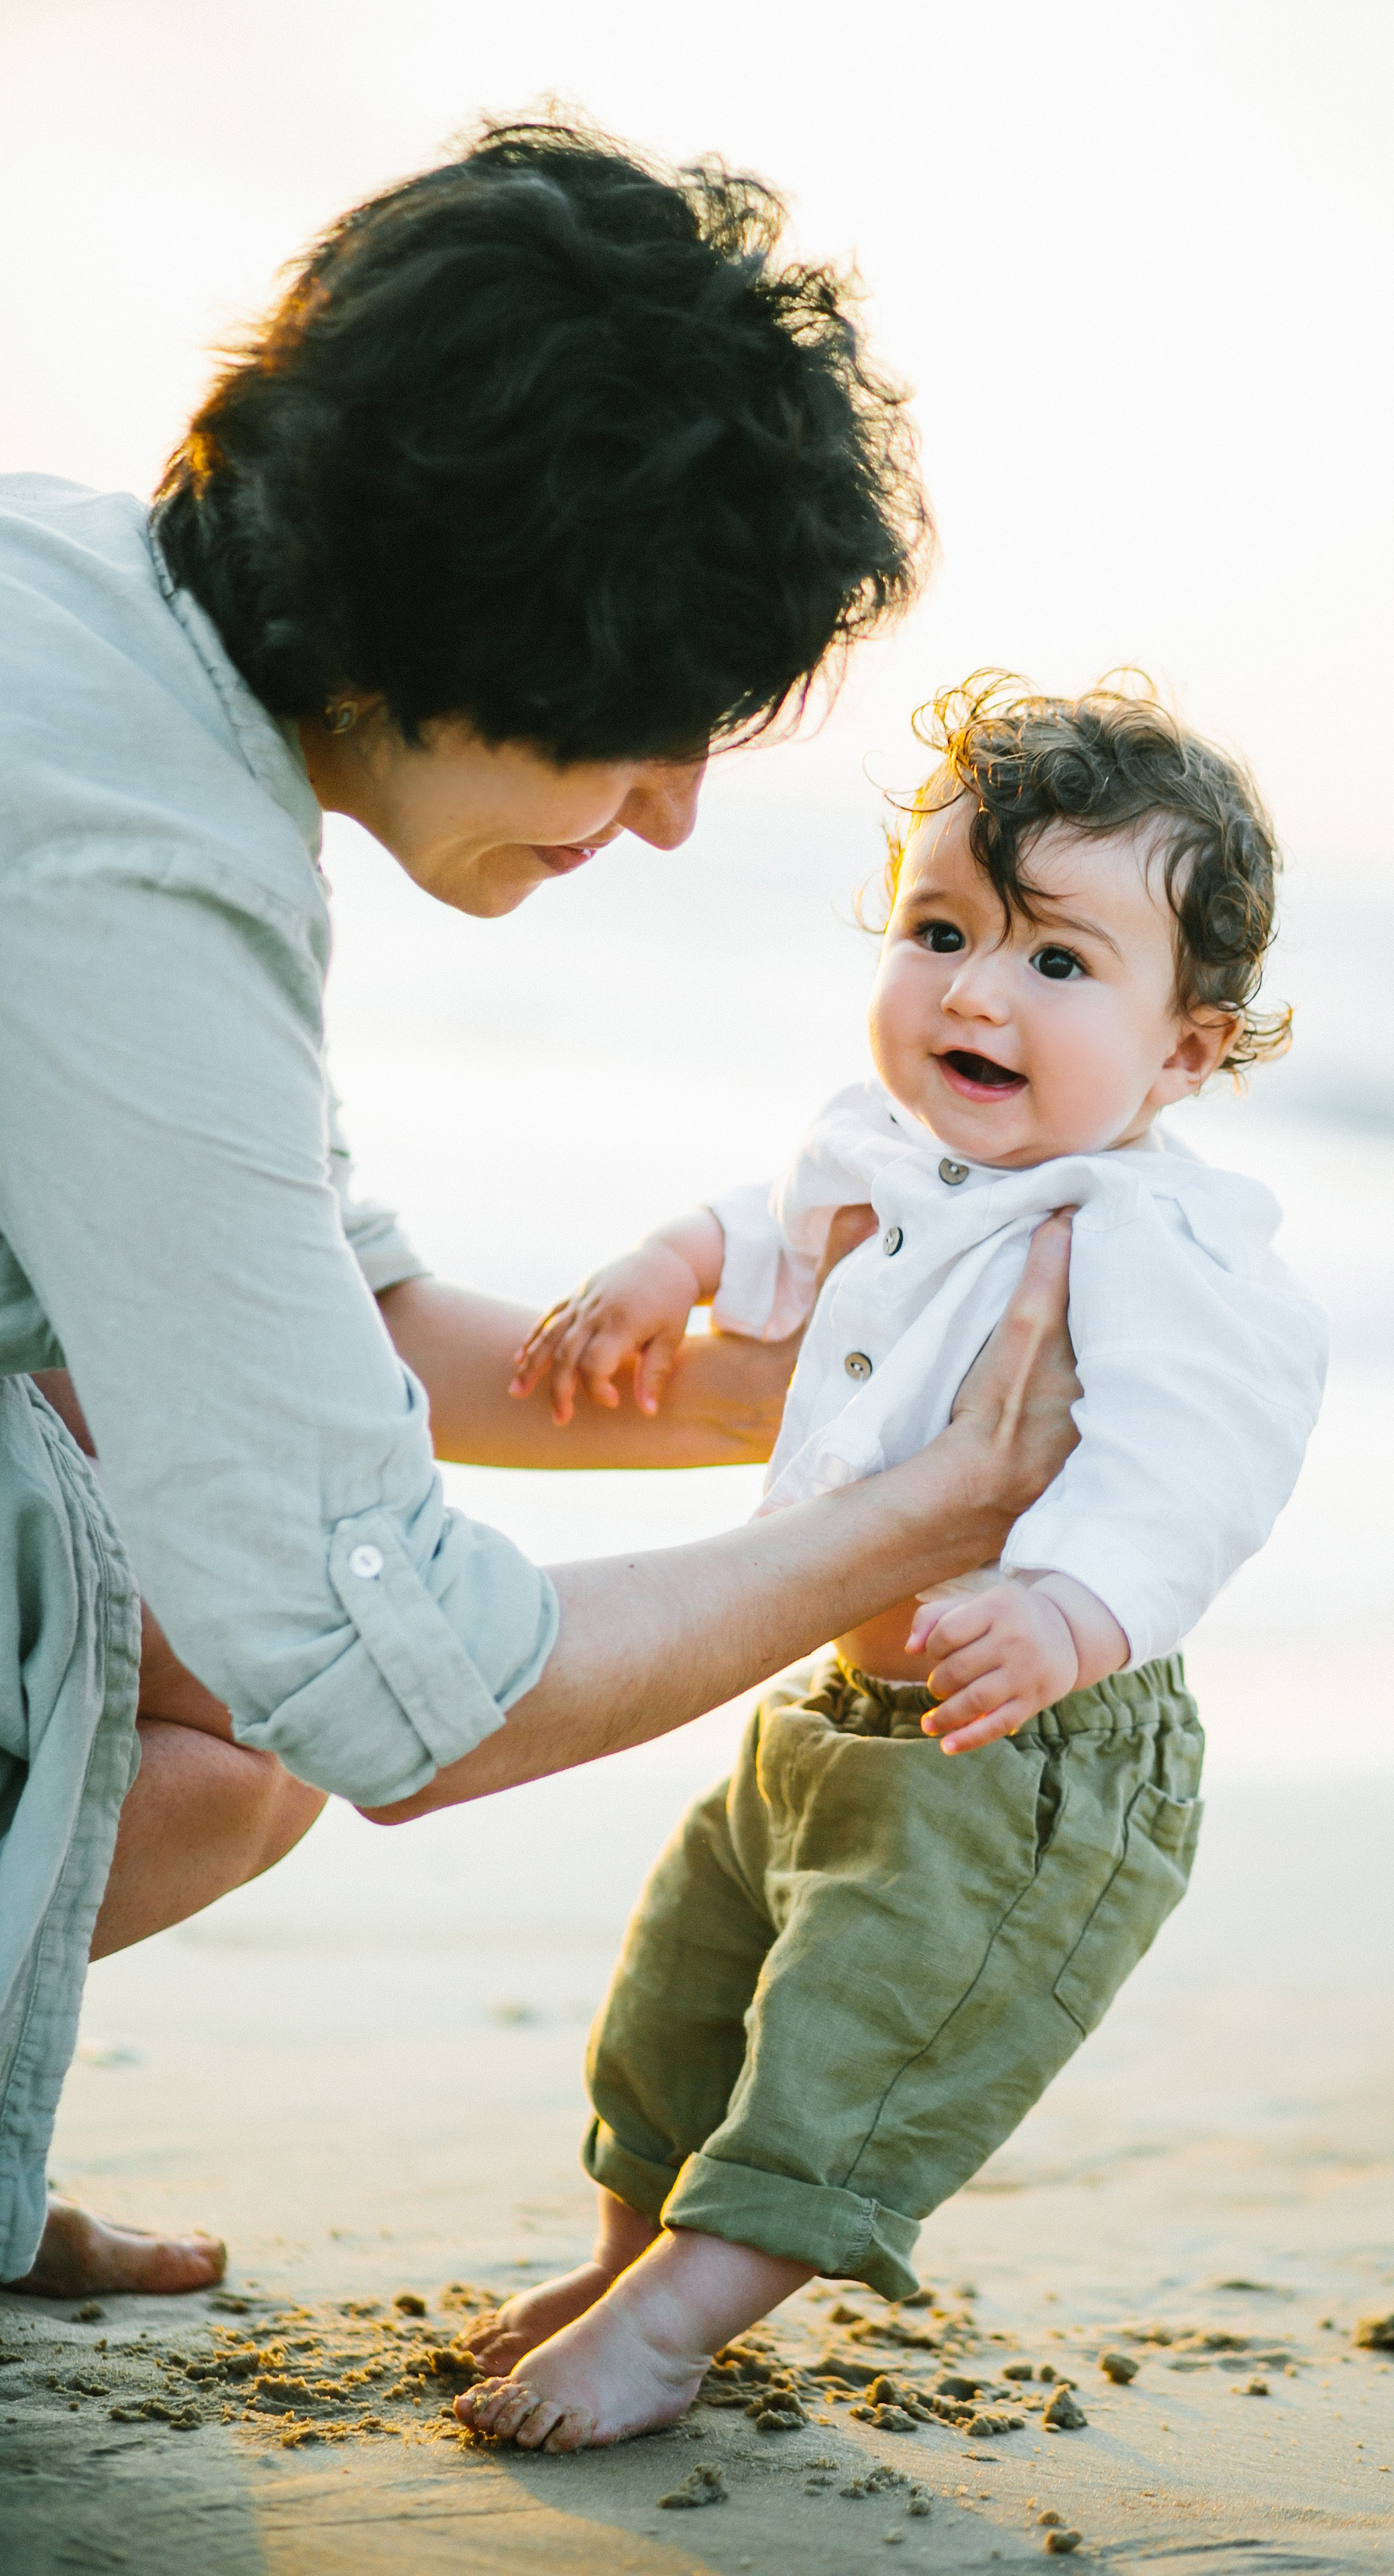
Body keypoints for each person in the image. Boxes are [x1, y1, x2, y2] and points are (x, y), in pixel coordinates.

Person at [0, 122, 1079, 2303]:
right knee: (234, 1652)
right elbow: (405, 1694)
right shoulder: (124, 860)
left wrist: (796, 1398)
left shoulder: (103, 627)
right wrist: (916, 1520)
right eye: (652, 722)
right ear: (486, 610)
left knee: (194, 1708)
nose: (674, 814)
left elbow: (332, 1322)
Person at [450, 674, 1328, 2453]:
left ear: (1184, 1055)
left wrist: (1068, 1603)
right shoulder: (888, 1152)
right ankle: (631, 2255)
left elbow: (1210, 1450)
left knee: (855, 2049)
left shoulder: (1147, 1230)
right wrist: (654, 1266)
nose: (977, 991)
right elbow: (766, 1238)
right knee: (684, 1996)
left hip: (1023, 1752)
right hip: (825, 1699)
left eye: (1059, 963)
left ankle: (677, 2328)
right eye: (941, 931)